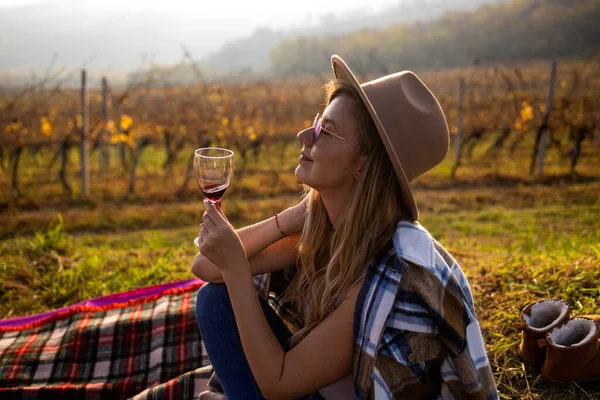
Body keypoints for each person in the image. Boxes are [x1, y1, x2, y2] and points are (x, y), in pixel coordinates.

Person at [192, 55, 499, 400]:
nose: (305, 134)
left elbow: (278, 383)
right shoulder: (328, 224)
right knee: (216, 301)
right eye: (317, 122)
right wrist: (287, 220)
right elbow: (205, 268)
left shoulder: (391, 275)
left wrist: (236, 268)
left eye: (327, 130)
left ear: (363, 166)